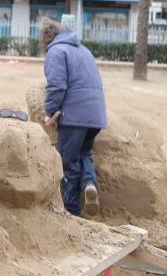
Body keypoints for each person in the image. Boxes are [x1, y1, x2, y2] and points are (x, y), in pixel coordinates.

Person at [40, 17, 108, 217]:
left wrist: (50, 112)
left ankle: (71, 211)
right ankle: (89, 184)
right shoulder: (83, 50)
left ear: (46, 39)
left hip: (75, 115)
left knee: (66, 162)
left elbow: (57, 86)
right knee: (84, 153)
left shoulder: (56, 51)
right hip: (96, 114)